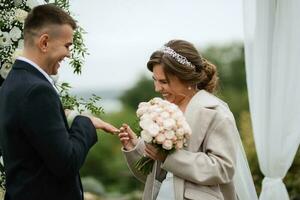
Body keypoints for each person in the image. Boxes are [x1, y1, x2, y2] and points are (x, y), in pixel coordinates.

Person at [0, 4, 118, 200]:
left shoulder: (12, 82)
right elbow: (67, 162)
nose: (69, 54)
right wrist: (85, 122)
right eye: (67, 45)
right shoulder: (37, 91)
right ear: (44, 42)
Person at [118, 39, 257, 200]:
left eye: (163, 81)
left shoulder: (215, 112)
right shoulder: (162, 112)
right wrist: (136, 147)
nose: (157, 88)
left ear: (184, 76)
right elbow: (153, 177)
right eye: (155, 81)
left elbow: (223, 169)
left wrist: (168, 157)